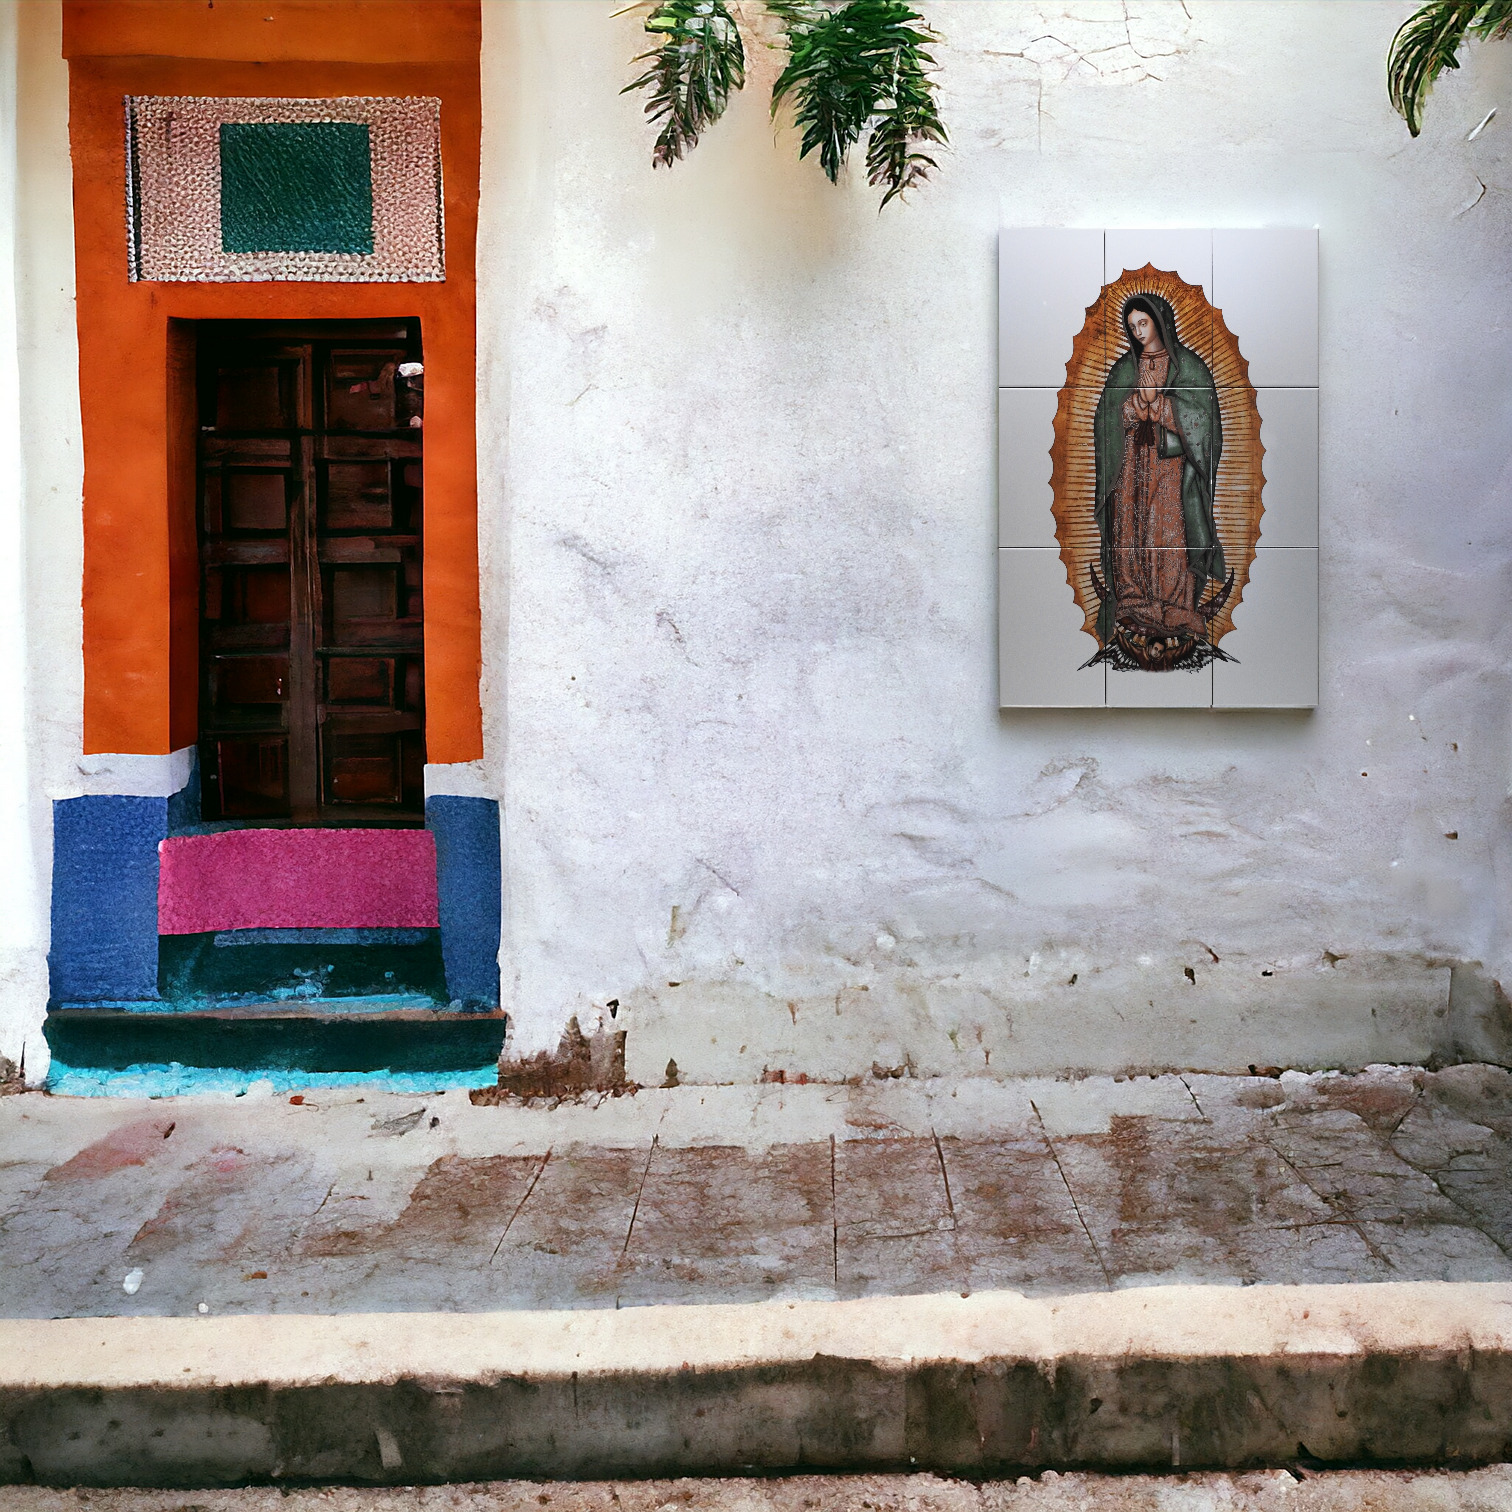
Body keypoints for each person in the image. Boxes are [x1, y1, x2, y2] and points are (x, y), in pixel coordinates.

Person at [1088, 292, 1229, 671]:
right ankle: (1133, 601)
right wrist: (1133, 408)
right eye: (1132, 327)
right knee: (1133, 531)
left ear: (1159, 321)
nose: (1137, 332)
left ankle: (1174, 607)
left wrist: (1165, 408)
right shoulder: (1123, 370)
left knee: (1169, 533)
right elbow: (1104, 422)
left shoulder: (1189, 369)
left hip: (1171, 471)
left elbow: (1207, 424)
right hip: (1132, 467)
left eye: (1143, 324)